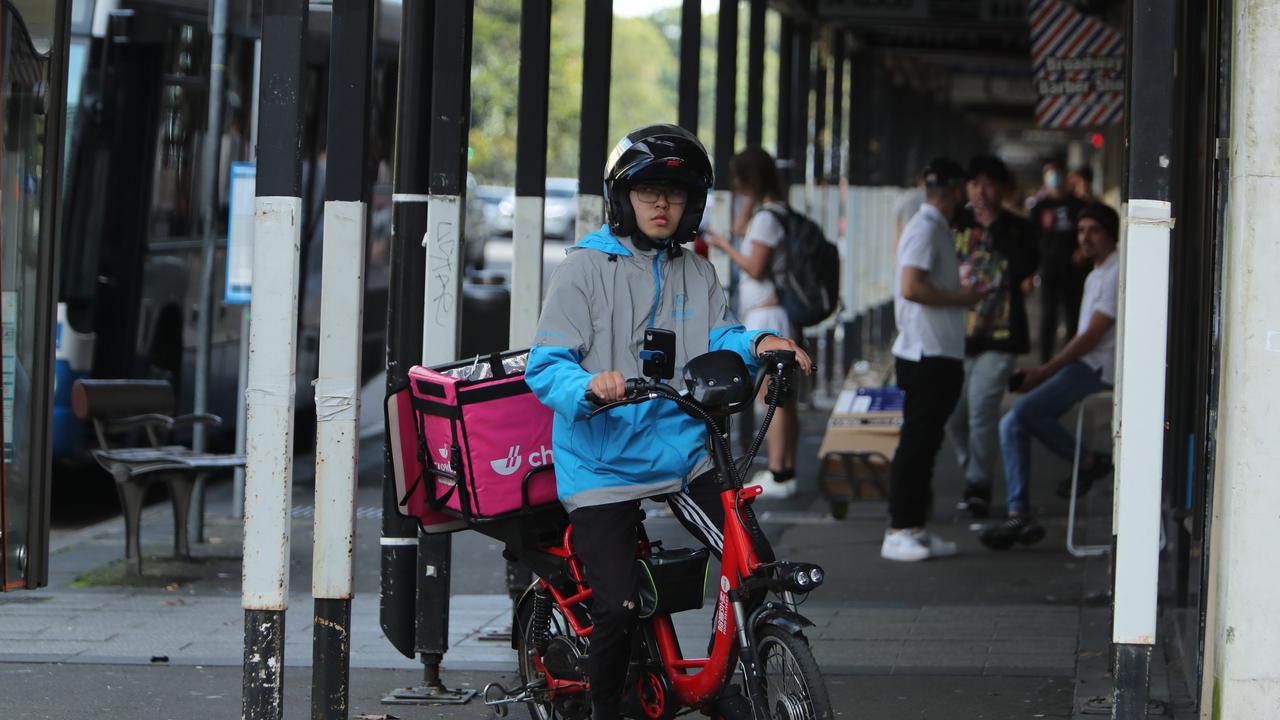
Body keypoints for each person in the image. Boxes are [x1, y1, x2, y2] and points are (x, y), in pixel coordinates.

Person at [525, 124, 812, 720]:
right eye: (648, 191)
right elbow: (545, 364)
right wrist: (587, 385)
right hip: (602, 460)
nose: (661, 204)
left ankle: (728, 678)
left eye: (675, 195)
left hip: (684, 449)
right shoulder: (584, 268)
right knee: (617, 606)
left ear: (692, 205)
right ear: (621, 197)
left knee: (752, 563)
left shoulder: (696, 270)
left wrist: (762, 342)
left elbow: (722, 333)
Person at [981, 202, 1120, 550]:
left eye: (1094, 230)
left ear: (1111, 235)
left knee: (1024, 413)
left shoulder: (1117, 272)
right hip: (1085, 366)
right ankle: (1021, 511)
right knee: (1011, 424)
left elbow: (1092, 336)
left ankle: (1085, 465)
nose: (1085, 237)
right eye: (1081, 230)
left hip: (1098, 369)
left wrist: (1043, 372)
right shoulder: (1096, 273)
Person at [881, 157, 986, 563]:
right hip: (925, 353)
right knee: (917, 443)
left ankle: (916, 529)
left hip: (936, 350)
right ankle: (900, 529)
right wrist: (963, 298)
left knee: (927, 444)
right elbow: (911, 287)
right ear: (957, 190)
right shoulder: (924, 227)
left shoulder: (934, 226)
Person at [704, 147, 800, 497]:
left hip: (768, 314)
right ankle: (785, 467)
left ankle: (778, 471)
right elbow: (742, 226)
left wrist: (723, 246)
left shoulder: (767, 219)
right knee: (783, 396)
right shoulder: (777, 213)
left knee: (772, 397)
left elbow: (755, 266)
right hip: (777, 311)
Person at [947, 156, 1040, 519]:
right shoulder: (953, 222)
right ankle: (974, 463)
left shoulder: (1018, 228)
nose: (981, 192)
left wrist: (995, 229)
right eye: (974, 184)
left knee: (982, 408)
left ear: (1003, 189)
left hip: (1000, 334)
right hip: (956, 334)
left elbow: (1025, 268)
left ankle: (977, 486)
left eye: (988, 184)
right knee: (954, 412)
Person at [1030, 158, 1089, 362]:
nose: (1053, 177)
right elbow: (1032, 237)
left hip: (1074, 269)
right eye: (1049, 172)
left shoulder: (1079, 205)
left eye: (1056, 171)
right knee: (1048, 315)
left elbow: (1088, 232)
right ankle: (1044, 361)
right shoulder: (1039, 207)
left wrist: (1083, 251)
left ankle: (1068, 360)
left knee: (1072, 316)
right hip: (1049, 269)